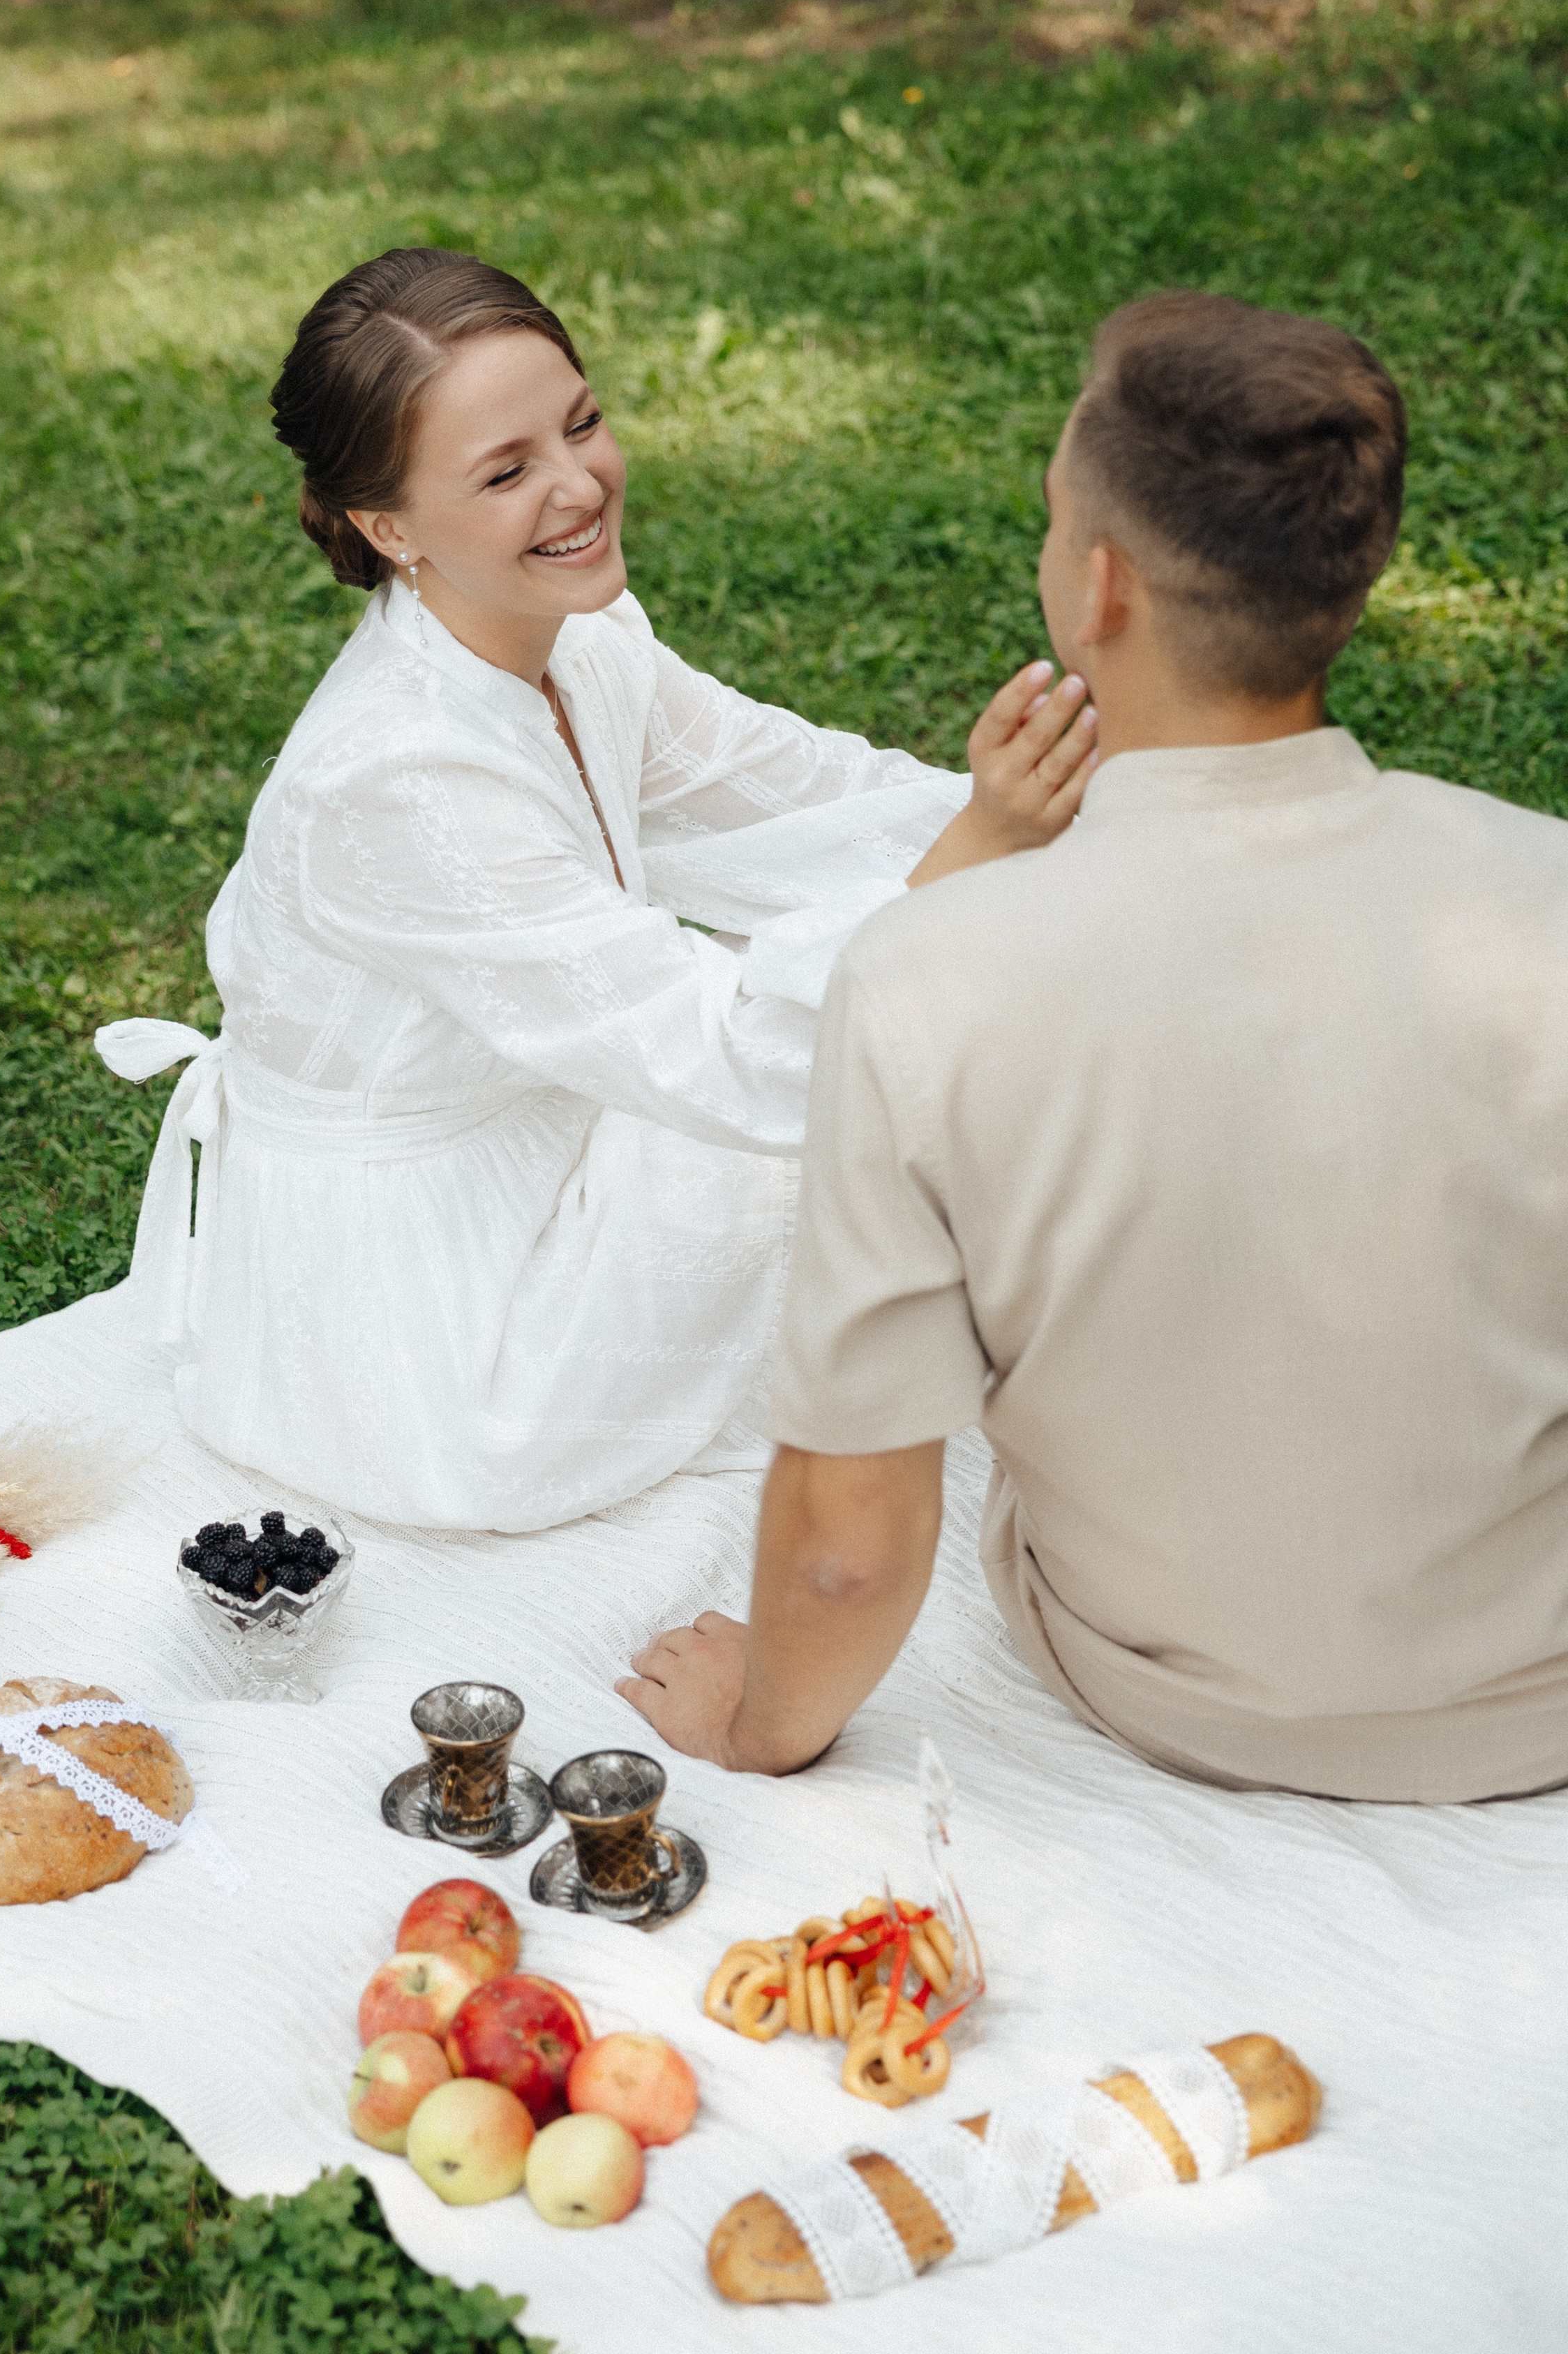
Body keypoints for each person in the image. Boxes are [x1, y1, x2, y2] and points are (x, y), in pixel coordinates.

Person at [621, 287, 1568, 1805]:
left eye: (1057, 518)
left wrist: (757, 1725)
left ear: (1098, 588)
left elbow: (851, 1552)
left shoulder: (929, 977)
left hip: (1165, 1696)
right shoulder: (1545, 895)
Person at [96, 248, 1097, 1532]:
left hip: (542, 1128)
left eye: (582, 423)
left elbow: (800, 799)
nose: (579, 486)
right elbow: (725, 1052)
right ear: (387, 526)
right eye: (506, 472)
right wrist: (984, 853)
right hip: (427, 1346)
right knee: (873, 1060)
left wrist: (1085, 813)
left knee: (897, 980)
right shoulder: (393, 779)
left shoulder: (581, 637)